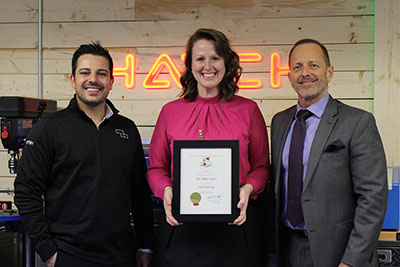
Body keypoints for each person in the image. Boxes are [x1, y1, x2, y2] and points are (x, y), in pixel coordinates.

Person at [14, 41, 154, 267]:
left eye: (101, 73)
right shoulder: (49, 128)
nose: (93, 80)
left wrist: (145, 244)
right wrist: (47, 250)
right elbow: (26, 190)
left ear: (111, 81)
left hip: (121, 255)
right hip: (68, 254)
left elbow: (139, 193)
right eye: (85, 72)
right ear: (73, 80)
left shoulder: (127, 129)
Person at [147, 28, 270, 267]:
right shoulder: (170, 112)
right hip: (181, 230)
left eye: (215, 57)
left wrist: (248, 189)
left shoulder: (249, 110)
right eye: (200, 58)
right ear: (190, 65)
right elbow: (156, 168)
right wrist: (166, 190)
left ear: (227, 62)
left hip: (236, 228)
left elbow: (262, 167)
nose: (208, 66)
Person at [269, 38, 388, 267]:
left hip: (337, 253)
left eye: (313, 65)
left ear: (330, 72)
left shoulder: (358, 122)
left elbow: (373, 198)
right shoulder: (280, 122)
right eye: (297, 67)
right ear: (289, 76)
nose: (305, 73)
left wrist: (352, 260)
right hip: (286, 249)